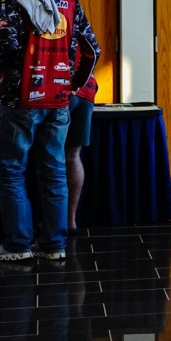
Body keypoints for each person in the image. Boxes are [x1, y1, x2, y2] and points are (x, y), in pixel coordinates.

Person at [0, 0, 100, 264]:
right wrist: (72, 84)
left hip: (20, 99)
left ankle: (17, 245)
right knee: (54, 170)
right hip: (59, 99)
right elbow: (92, 49)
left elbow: (7, 45)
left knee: (12, 170)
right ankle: (54, 245)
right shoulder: (69, 2)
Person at [66, 73, 98, 233]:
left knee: (50, 157)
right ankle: (70, 220)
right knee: (73, 155)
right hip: (87, 86)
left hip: (63, 87)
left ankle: (52, 220)